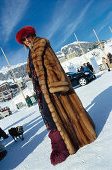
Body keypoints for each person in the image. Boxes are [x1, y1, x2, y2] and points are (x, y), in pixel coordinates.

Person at [16, 26, 97, 165]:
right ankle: (66, 143)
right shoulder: (30, 53)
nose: (27, 40)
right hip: (42, 91)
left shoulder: (41, 45)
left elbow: (54, 65)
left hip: (52, 87)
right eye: (24, 40)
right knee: (52, 116)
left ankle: (63, 147)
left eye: (28, 36)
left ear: (33, 35)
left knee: (57, 114)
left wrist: (57, 85)